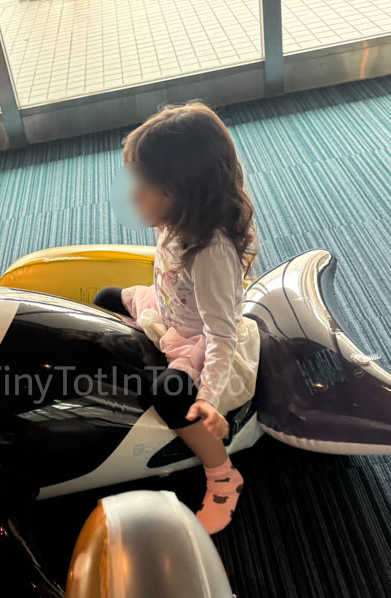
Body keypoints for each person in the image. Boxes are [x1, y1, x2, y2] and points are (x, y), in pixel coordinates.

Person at [94, 102, 257, 535]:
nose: (133, 196)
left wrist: (207, 396)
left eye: (144, 186)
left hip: (202, 343)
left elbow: (223, 335)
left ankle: (222, 474)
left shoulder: (211, 254)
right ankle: (139, 355)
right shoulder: (175, 219)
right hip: (166, 316)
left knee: (171, 394)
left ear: (181, 190)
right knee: (106, 298)